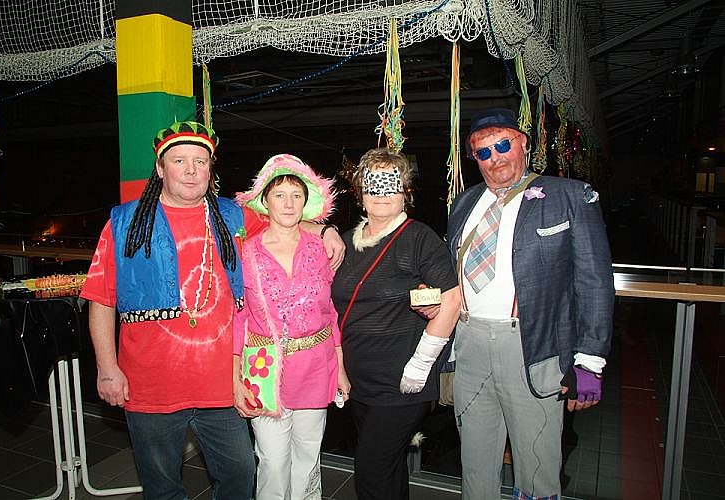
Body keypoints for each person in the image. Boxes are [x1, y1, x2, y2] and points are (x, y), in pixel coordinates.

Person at [80, 121, 345, 500]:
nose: (191, 170)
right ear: (160, 169)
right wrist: (107, 368)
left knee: (240, 476)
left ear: (210, 170)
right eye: (179, 161)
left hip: (223, 385)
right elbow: (101, 300)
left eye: (200, 162)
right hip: (150, 385)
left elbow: (284, 219)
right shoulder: (124, 224)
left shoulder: (233, 217)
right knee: (162, 488)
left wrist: (325, 229)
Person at [447, 107, 614, 499]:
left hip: (532, 345)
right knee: (475, 461)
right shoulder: (464, 203)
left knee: (537, 463)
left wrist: (590, 359)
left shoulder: (570, 195)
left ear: (523, 143)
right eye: (483, 152)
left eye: (503, 145)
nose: (495, 158)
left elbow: (594, 282)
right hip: (469, 344)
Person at [331, 147, 461, 500]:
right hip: (360, 380)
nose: (382, 194)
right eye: (373, 186)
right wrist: (338, 368)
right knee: (388, 471)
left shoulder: (419, 238)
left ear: (405, 191)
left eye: (391, 185)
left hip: (401, 383)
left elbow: (452, 300)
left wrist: (421, 363)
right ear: (360, 193)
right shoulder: (345, 242)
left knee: (371, 472)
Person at [232, 154, 351, 499]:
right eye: (280, 195)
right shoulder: (245, 252)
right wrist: (235, 377)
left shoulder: (321, 249)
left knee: (308, 457)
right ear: (265, 201)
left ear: (305, 202)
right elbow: (238, 318)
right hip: (263, 368)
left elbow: (329, 312)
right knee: (271, 460)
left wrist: (340, 368)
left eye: (296, 195)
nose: (288, 203)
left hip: (316, 364)